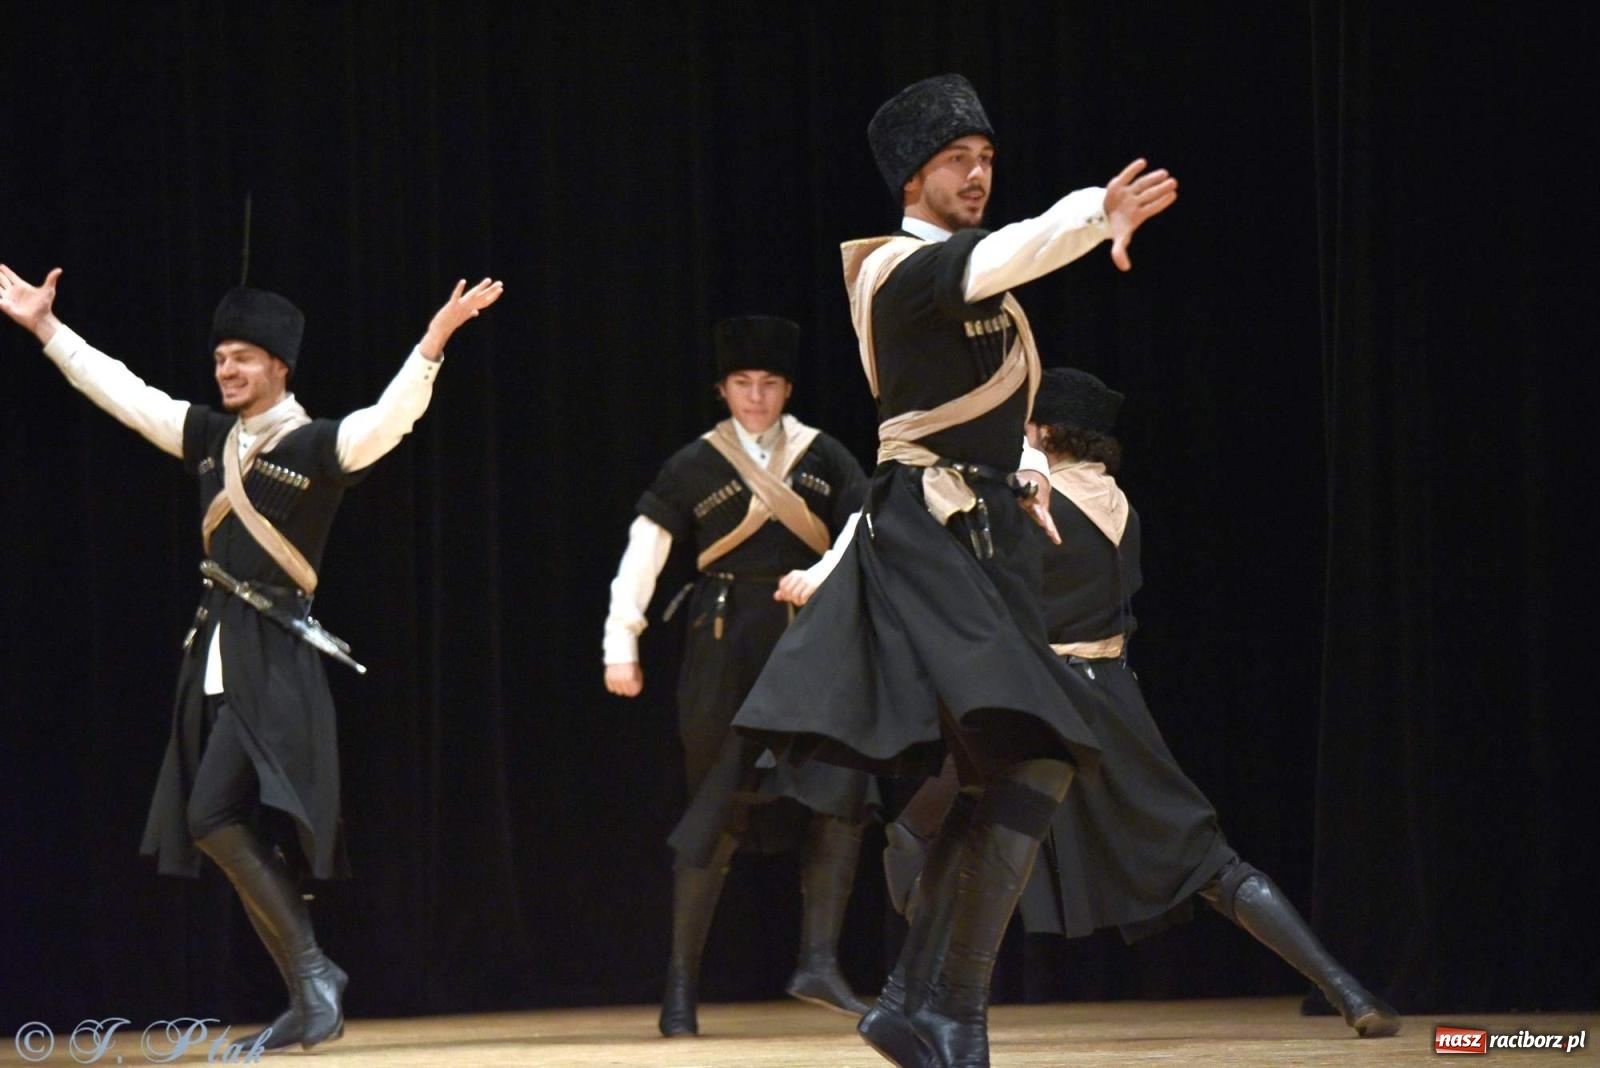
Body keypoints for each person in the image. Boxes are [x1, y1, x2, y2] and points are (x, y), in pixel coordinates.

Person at [732, 74, 1178, 1067]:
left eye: (985, 158)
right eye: (956, 162)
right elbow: (1008, 251)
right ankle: (948, 1014)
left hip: (982, 539)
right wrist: (1091, 213)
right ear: (912, 177)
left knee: (1001, 772)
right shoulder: (902, 270)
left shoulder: (961, 280)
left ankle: (917, 1005)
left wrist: (1020, 471)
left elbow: (975, 399)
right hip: (930, 538)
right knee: (1039, 755)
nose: (977, 175)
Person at [0, 262, 503, 1052]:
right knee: (210, 821)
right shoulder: (206, 437)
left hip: (275, 656)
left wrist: (434, 342)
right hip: (214, 650)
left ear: (279, 366)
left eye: (242, 357)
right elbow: (125, 393)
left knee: (210, 816)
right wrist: (46, 329)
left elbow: (391, 418)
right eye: (219, 359)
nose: (226, 371)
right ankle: (312, 985)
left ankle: (312, 977)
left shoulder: (318, 445)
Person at [883, 367, 1402, 1040]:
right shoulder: (1120, 506)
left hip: (1040, 706)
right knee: (1209, 862)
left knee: (931, 836)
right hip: (1112, 699)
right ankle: (1350, 992)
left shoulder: (1029, 505)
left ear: (1040, 434)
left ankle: (929, 1003)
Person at [602, 316, 877, 1037]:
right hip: (724, 650)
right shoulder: (694, 463)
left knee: (842, 794)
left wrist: (821, 573)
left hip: (811, 648)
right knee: (716, 810)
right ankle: (681, 990)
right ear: (722, 389)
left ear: (787, 388)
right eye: (743, 384)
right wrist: (620, 641)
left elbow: (864, 523)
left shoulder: (825, 455)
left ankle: (817, 960)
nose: (756, 397)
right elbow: (645, 548)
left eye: (769, 384)